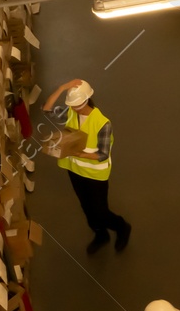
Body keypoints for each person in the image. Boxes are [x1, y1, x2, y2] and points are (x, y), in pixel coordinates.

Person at [44, 78, 130, 254]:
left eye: (78, 104)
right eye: (73, 105)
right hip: (75, 171)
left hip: (95, 174)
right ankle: (101, 234)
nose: (75, 108)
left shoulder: (102, 123)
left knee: (100, 211)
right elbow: (47, 109)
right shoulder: (70, 113)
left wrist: (79, 154)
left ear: (87, 99)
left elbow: (102, 154)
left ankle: (122, 227)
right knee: (86, 207)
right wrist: (62, 87)